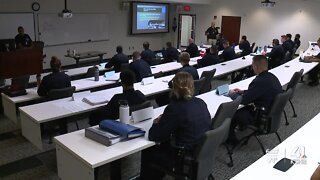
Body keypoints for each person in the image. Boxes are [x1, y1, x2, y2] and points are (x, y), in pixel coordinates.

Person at [139, 72, 211, 180]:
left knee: (148, 150)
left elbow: (154, 136)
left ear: (174, 88)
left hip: (181, 157)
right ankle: (159, 173)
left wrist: (156, 122)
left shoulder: (174, 108)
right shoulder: (201, 102)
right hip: (198, 150)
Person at [227, 55, 282, 144]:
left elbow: (243, 101)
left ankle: (231, 140)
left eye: (252, 66)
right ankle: (243, 126)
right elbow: (259, 92)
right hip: (270, 115)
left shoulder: (259, 81)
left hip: (260, 118)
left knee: (232, 112)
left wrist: (231, 95)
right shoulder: (271, 77)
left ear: (255, 66)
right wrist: (242, 91)